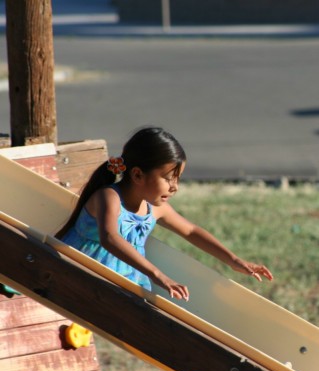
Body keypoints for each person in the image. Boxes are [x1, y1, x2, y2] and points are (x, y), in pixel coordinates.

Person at [56, 127, 273, 301]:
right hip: (80, 275)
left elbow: (191, 231)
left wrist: (234, 260)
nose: (175, 186)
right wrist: (159, 276)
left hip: (125, 285)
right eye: (169, 178)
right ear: (138, 175)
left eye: (178, 179)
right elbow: (110, 238)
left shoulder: (155, 208)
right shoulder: (109, 198)